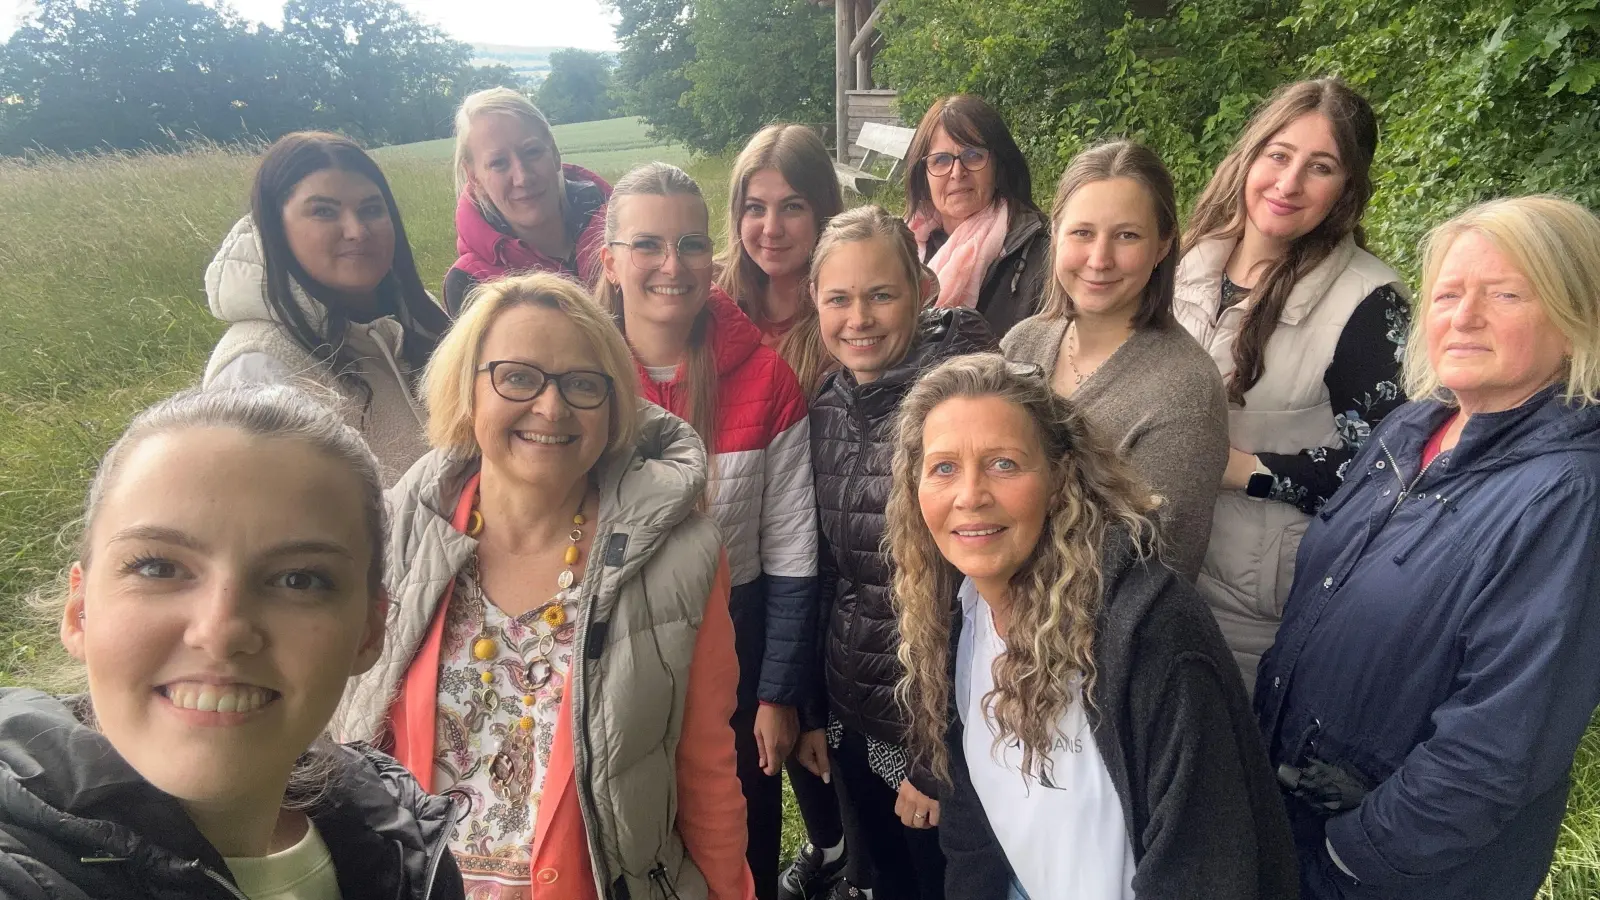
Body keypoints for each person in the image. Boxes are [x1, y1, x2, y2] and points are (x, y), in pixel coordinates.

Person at [330, 273, 754, 900]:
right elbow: (339, 736)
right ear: (465, 389)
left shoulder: (681, 556)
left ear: (614, 407)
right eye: (518, 376)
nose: (551, 408)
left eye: (582, 384)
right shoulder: (393, 533)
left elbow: (705, 767)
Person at [1257, 195, 1600, 900]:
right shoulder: (1413, 429)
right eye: (1448, 293)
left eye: (1504, 293)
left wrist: (1355, 858)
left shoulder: (1568, 494)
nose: (1464, 316)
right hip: (1297, 826)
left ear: (1576, 319)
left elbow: (1501, 743)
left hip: (1396, 872)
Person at [0, 384, 463, 900]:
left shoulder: (408, 850)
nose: (220, 631)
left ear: (370, 630)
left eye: (300, 580)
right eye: (158, 567)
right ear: (79, 610)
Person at [885, 353, 1296, 900]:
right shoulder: (962, 610)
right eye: (943, 468)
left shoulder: (1150, 635)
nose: (969, 495)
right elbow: (973, 825)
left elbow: (1206, 869)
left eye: (1003, 463)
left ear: (1059, 480)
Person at [596, 162, 819, 900]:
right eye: (648, 244)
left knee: (737, 837)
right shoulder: (580, 382)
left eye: (692, 243)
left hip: (738, 644)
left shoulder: (766, 379)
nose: (672, 264)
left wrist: (779, 690)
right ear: (612, 262)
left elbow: (790, 546)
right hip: (611, 656)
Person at [1174, 77, 1410, 689]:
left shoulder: (1368, 303)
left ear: (1348, 191)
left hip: (1256, 607)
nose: (1288, 182)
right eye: (1278, 155)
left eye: (1320, 166)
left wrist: (1240, 467)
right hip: (1154, 567)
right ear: (1249, 156)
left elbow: (1389, 471)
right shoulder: (1182, 262)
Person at [805, 205, 996, 900]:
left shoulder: (957, 405)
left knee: (936, 880)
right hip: (854, 704)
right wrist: (813, 710)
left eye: (881, 295)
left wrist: (933, 757)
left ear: (923, 291)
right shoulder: (827, 403)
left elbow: (974, 597)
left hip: (931, 727)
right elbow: (830, 566)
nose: (859, 317)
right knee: (878, 874)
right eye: (839, 299)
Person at [1002, 141, 1228, 581]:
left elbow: (1155, 568)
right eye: (1082, 233)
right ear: (1056, 233)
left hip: (1094, 641)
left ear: (1162, 246)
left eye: (1127, 235)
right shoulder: (1019, 346)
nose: (1099, 259)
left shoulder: (1185, 390)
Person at [204, 131, 449, 486]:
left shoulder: (419, 312)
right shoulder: (257, 368)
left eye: (371, 209)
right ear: (275, 228)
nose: (357, 231)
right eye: (323, 211)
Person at [443, 87, 612, 314]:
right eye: (499, 163)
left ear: (554, 153)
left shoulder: (622, 232)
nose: (523, 177)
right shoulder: (470, 282)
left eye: (532, 152)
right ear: (474, 177)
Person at [903, 94, 1050, 337]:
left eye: (973, 156)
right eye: (941, 160)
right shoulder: (902, 247)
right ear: (923, 174)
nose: (957, 172)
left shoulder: (1040, 254)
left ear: (998, 165)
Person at [718, 123, 847, 397]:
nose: (771, 229)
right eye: (755, 208)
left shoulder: (846, 319)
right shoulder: (711, 299)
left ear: (823, 214)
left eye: (792, 207)